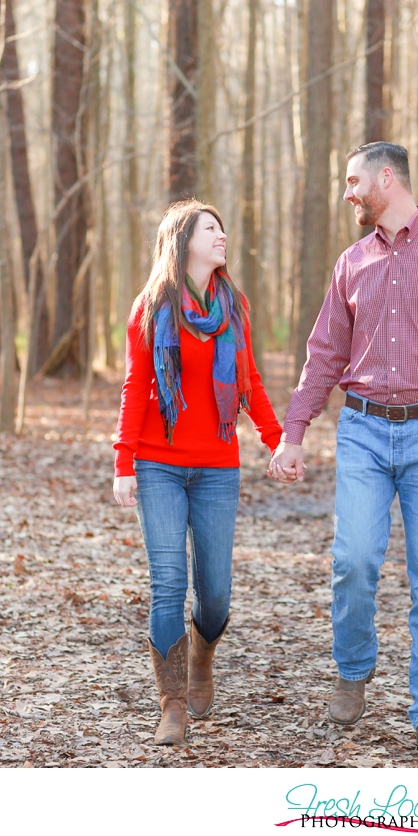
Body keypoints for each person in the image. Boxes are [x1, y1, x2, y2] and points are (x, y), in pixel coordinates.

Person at [268, 142, 418, 753]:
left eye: (353, 181)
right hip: (363, 431)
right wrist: (293, 432)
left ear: (387, 179)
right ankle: (353, 671)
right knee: (353, 561)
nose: (347, 192)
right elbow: (324, 353)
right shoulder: (351, 263)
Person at [113, 200, 281, 745]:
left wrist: (278, 440)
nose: (223, 235)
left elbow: (249, 378)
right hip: (158, 464)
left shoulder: (233, 306)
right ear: (183, 240)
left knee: (215, 595)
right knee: (168, 584)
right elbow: (138, 388)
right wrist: (124, 462)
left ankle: (202, 656)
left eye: (223, 227)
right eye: (211, 228)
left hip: (216, 466)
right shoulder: (153, 305)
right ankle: (172, 705)